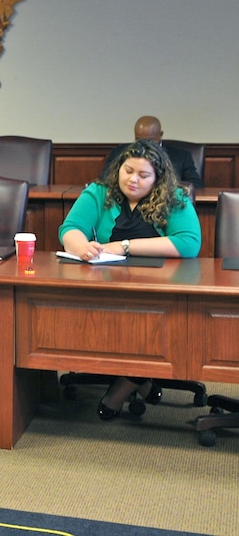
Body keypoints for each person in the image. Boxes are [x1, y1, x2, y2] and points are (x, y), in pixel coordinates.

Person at [60, 138, 201, 421]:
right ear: (118, 169)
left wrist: (125, 246)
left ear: (157, 177)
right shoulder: (100, 192)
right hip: (107, 281)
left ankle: (127, 384)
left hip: (159, 285)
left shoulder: (175, 197)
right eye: (127, 171)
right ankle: (142, 380)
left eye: (143, 175)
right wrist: (80, 247)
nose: (133, 180)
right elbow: (71, 228)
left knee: (147, 328)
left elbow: (188, 243)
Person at [101, 115, 203, 188]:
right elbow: (105, 181)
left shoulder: (181, 156)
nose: (145, 144)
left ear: (161, 135)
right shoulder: (119, 153)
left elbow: (196, 185)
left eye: (150, 140)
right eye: (139, 139)